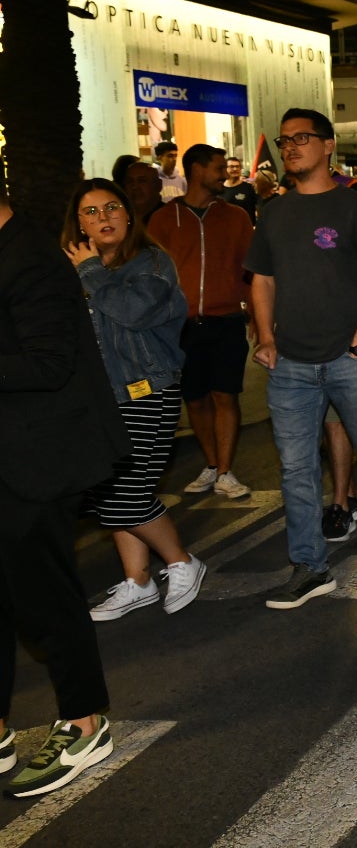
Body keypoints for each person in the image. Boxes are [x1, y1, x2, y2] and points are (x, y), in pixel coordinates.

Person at [247, 108, 357, 610]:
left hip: (350, 359)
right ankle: (309, 566)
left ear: (326, 145)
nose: (291, 147)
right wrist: (264, 337)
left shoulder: (355, 208)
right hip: (291, 367)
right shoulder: (273, 212)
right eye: (284, 141)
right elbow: (262, 278)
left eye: (302, 138)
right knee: (296, 469)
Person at [0, 175, 128, 799]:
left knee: (47, 599)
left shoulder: (29, 257)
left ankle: (85, 722)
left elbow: (47, 363)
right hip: (9, 456)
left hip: (40, 461)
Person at [60, 179, 207, 622]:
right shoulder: (79, 268)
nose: (102, 216)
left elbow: (135, 312)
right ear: (79, 222)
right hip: (100, 399)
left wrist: (90, 273)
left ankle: (182, 561)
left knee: (126, 497)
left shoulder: (150, 263)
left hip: (146, 391)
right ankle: (138, 581)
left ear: (127, 214)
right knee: (112, 494)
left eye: (111, 207)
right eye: (91, 211)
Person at [149, 144, 257, 501]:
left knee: (225, 395)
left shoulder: (237, 217)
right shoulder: (163, 219)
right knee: (194, 400)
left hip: (226, 320)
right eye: (217, 167)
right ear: (195, 170)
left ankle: (225, 470)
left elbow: (251, 272)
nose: (224, 173)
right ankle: (211, 464)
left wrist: (256, 313)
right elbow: (152, 275)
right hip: (178, 326)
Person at [220, 155, 257, 222]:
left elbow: (258, 208)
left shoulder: (249, 188)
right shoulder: (219, 190)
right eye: (232, 167)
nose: (235, 169)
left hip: (247, 229)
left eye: (237, 166)